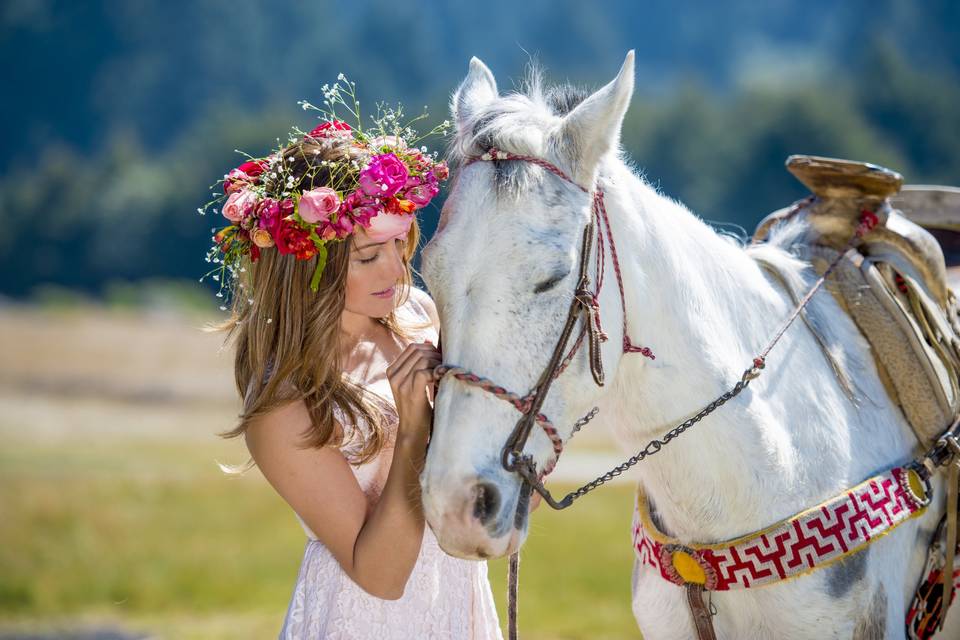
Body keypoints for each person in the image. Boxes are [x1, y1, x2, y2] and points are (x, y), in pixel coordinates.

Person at [203, 99, 504, 639]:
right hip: (367, 618)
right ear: (305, 267)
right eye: (368, 256)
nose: (397, 269)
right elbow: (381, 577)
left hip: (456, 593)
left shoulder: (417, 315)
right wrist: (413, 430)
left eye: (399, 243)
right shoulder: (284, 407)